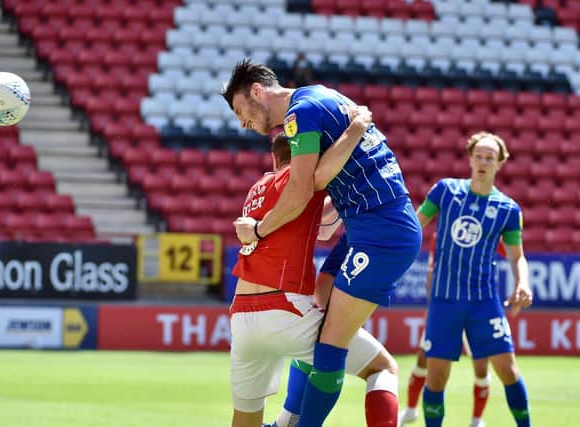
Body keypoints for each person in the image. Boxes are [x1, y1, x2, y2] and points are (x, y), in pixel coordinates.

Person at [223, 59, 422, 426]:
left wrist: (259, 229)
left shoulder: (302, 114)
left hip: (379, 231)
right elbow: (317, 197)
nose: (242, 123)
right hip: (363, 225)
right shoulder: (318, 99)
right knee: (326, 308)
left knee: (330, 349)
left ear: (256, 90)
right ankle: (288, 420)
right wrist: (356, 129)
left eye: (240, 110)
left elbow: (303, 188)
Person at [416, 132, 533, 427]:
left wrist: (523, 283)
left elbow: (516, 255)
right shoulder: (445, 191)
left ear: (500, 164)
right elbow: (414, 227)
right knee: (437, 378)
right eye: (478, 156)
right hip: (444, 301)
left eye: (489, 158)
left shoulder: (508, 209)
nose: (483, 162)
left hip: (484, 302)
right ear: (469, 159)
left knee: (507, 370)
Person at [398, 232, 506, 427]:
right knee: (424, 359)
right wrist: (434, 309)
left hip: (476, 308)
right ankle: (411, 410)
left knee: (481, 368)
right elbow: (432, 273)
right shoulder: (440, 235)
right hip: (447, 308)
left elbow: (511, 250)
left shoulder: (486, 230)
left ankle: (476, 420)